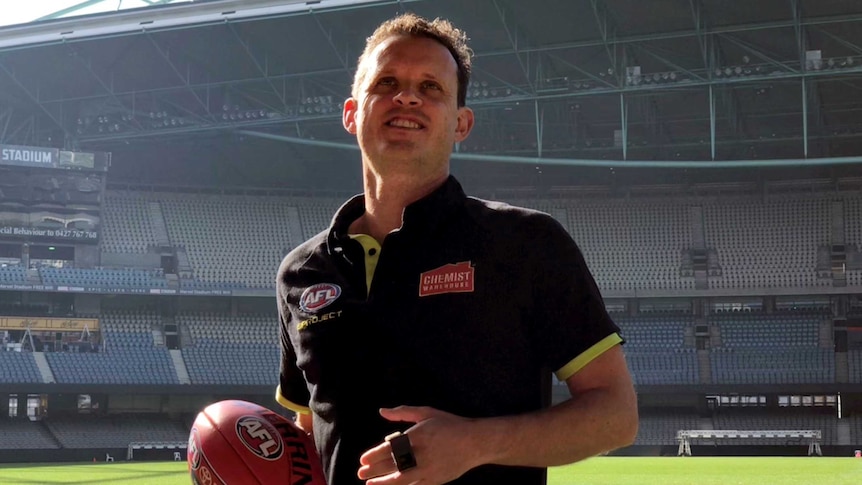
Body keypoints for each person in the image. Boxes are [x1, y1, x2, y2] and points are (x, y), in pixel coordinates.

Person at [276, 13, 638, 485]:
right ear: (351, 113)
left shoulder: (527, 243)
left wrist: (475, 443)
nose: (407, 96)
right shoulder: (301, 273)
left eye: (432, 88)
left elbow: (616, 415)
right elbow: (308, 431)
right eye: (387, 82)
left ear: (461, 123)